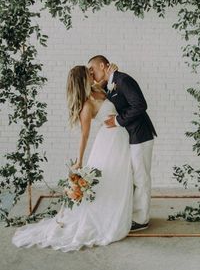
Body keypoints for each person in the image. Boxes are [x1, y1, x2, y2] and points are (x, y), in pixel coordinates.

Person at [12, 65, 133, 252]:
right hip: (108, 142)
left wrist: (112, 72)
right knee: (110, 180)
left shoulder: (97, 88)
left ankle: (116, 213)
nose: (92, 74)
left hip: (120, 138)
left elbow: (108, 80)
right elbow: (84, 135)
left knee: (119, 179)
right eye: (88, 73)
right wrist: (79, 161)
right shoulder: (86, 105)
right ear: (82, 79)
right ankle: (106, 219)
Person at [88, 55, 157, 232]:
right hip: (130, 136)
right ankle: (134, 214)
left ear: (102, 65)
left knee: (141, 177)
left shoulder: (123, 79)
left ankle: (141, 219)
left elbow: (140, 105)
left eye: (93, 69)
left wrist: (118, 121)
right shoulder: (111, 82)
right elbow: (96, 89)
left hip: (140, 134)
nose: (92, 74)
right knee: (134, 176)